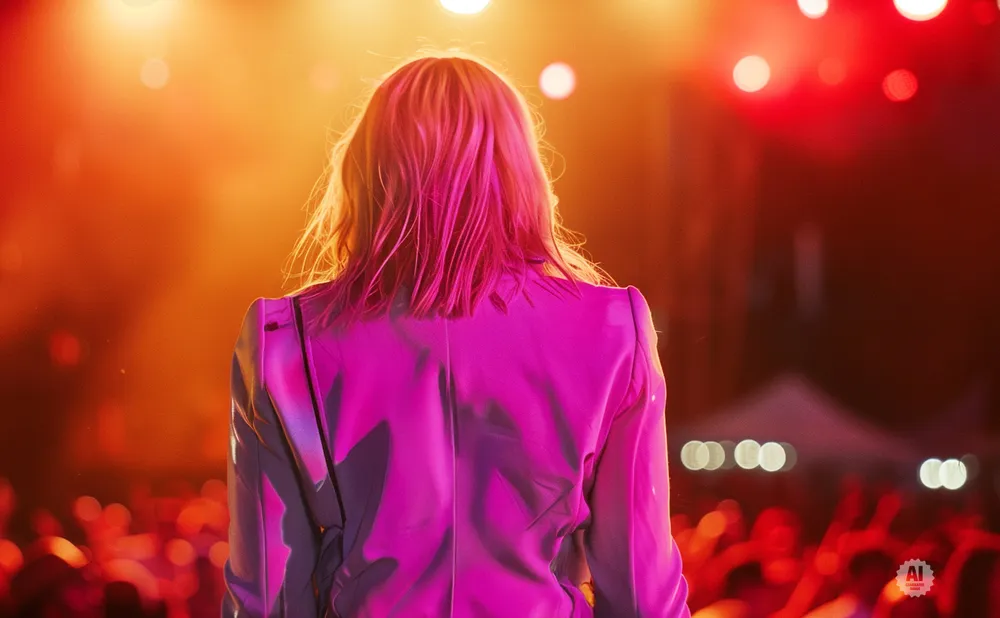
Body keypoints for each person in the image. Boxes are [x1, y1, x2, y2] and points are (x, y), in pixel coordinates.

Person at [222, 53, 690, 617]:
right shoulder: (616, 328)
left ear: (368, 172)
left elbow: (269, 596)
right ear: (521, 169)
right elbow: (643, 592)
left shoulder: (284, 340)